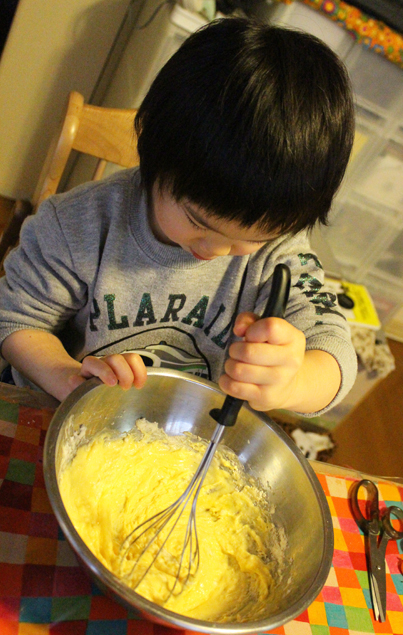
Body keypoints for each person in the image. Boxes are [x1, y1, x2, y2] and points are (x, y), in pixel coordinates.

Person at [0, 17, 357, 415]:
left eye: (252, 239)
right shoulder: (77, 226)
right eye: (198, 222)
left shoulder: (280, 255)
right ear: (154, 152)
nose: (217, 250)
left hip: (179, 429)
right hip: (59, 408)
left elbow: (336, 350)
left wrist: (292, 384)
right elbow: (15, 319)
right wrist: (69, 378)